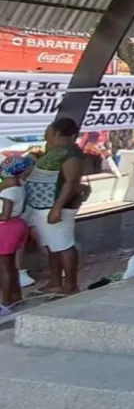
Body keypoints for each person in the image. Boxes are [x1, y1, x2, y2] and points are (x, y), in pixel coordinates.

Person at [25, 118, 87, 296]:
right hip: (44, 205)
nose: (46, 135)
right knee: (53, 245)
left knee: (64, 245)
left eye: (48, 132)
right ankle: (55, 282)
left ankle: (70, 285)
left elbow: (72, 181)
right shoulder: (57, 151)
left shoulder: (71, 153)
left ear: (56, 132)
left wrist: (58, 207)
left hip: (56, 205)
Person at [0, 154, 34, 310]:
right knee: (12, 265)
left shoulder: (8, 191)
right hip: (18, 225)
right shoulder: (19, 185)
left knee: (4, 267)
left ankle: (6, 302)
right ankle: (16, 296)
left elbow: (5, 215)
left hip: (7, 227)